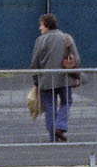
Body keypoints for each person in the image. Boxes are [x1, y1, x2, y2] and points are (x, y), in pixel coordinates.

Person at [30, 13, 79, 142]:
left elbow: (35, 62)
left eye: (41, 25)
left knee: (49, 106)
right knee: (66, 102)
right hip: (65, 79)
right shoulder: (67, 38)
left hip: (46, 80)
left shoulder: (40, 41)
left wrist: (36, 80)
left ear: (47, 26)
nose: (39, 28)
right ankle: (60, 126)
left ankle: (53, 135)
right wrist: (77, 76)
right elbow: (76, 59)